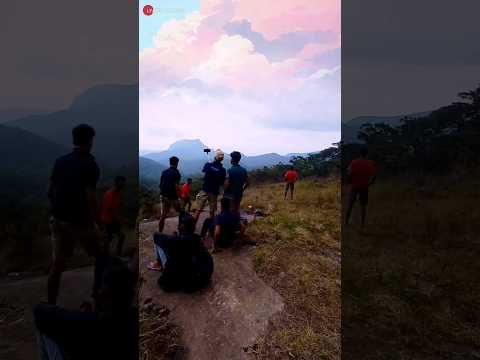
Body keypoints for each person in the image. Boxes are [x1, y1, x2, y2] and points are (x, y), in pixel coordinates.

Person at [34, 256, 138, 360]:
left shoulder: (88, 322)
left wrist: (82, 314)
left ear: (101, 293)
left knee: (44, 327)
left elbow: (39, 311)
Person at [47, 124, 106, 305]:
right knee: (102, 257)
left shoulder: (60, 161)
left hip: (57, 220)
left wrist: (58, 211)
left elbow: (50, 191)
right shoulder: (90, 164)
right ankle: (97, 296)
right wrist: (99, 224)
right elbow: (90, 198)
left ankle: (51, 304)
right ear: (90, 141)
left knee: (57, 266)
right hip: (80, 223)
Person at [149, 213, 213, 292]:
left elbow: (156, 236)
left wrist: (173, 237)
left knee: (160, 244)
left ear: (182, 227)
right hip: (202, 276)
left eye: (181, 224)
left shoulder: (177, 241)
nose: (179, 226)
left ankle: (158, 263)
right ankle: (159, 263)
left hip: (189, 279)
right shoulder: (197, 238)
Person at [345, 147, 377, 228]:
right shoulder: (370, 163)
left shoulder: (353, 162)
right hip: (364, 186)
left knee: (350, 205)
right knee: (363, 206)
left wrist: (349, 182)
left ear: (359, 153)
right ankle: (362, 224)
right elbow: (374, 176)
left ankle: (346, 222)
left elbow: (349, 174)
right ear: (367, 154)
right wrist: (369, 184)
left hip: (354, 186)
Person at [193, 149, 226, 223]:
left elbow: (204, 174)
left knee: (198, 210)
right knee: (212, 212)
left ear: (215, 157)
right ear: (222, 159)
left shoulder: (208, 165)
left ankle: (191, 228)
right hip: (214, 192)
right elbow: (221, 183)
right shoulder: (223, 170)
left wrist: (211, 167)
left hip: (205, 190)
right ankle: (210, 230)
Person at [100, 176, 126, 256]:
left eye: (123, 182)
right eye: (121, 182)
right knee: (116, 237)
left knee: (111, 238)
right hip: (108, 220)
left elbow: (118, 207)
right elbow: (109, 208)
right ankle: (111, 254)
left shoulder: (118, 193)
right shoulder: (110, 194)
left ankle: (108, 254)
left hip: (112, 220)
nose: (123, 184)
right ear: (116, 183)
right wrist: (117, 219)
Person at [158, 156, 182, 233]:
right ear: (177, 163)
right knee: (181, 212)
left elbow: (160, 184)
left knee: (163, 215)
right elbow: (176, 187)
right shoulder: (176, 173)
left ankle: (160, 233)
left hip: (163, 196)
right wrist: (180, 197)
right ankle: (182, 230)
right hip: (172, 197)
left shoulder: (164, 172)